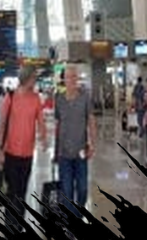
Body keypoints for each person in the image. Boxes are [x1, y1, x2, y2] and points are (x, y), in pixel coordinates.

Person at [0, 66, 48, 222]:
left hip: (27, 153)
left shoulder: (36, 99)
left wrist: (44, 138)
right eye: (34, 78)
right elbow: (2, 124)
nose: (35, 81)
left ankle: (19, 224)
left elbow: (41, 122)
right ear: (27, 78)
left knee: (22, 191)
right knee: (11, 191)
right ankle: (10, 224)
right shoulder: (10, 97)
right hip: (10, 152)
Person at [55, 65, 97, 217]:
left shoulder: (85, 98)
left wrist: (92, 144)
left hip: (81, 151)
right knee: (66, 189)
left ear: (77, 78)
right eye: (68, 77)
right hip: (63, 152)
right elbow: (58, 123)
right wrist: (55, 150)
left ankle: (78, 212)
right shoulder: (59, 98)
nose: (72, 80)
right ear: (64, 80)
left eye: (74, 76)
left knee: (82, 188)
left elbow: (91, 121)